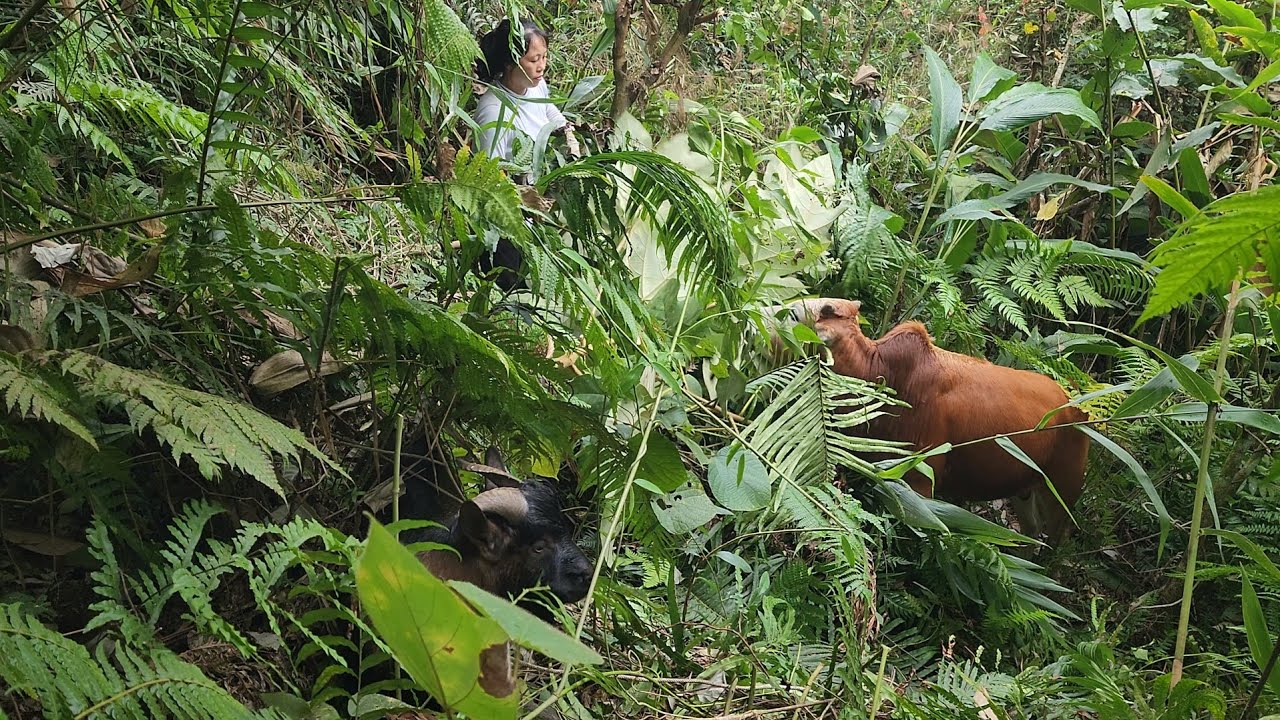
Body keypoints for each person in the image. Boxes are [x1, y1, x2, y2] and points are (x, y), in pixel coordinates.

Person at [473, 18, 579, 167]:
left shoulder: (536, 84)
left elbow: (548, 109)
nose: (542, 66)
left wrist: (569, 134)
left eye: (544, 57)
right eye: (534, 60)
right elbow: (488, 172)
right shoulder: (493, 114)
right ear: (510, 62)